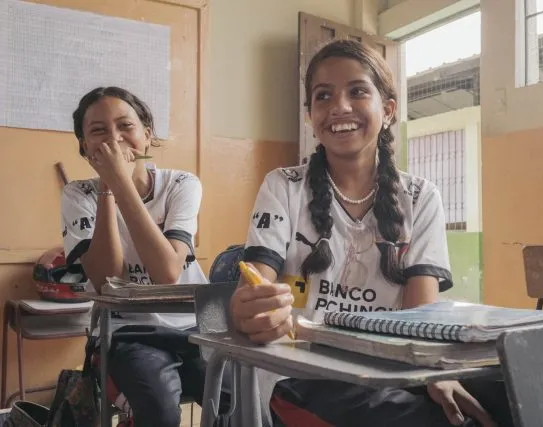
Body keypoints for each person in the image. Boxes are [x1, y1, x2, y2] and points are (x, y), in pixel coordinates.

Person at [230, 40, 512, 427]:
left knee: (514, 395)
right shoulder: (284, 186)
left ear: (389, 110)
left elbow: (421, 319)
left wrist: (438, 374)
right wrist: (253, 310)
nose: (340, 107)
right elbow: (256, 287)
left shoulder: (420, 196)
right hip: (302, 373)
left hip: (392, 368)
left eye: (358, 91)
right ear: (311, 115)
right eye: (323, 95)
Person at [61, 86, 212, 427]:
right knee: (158, 411)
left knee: (239, 398)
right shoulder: (78, 194)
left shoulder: (182, 184)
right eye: (98, 131)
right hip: (129, 331)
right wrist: (110, 186)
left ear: (146, 136)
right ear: (86, 147)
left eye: (125, 126)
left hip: (201, 321)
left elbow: (167, 272)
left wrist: (121, 181)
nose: (114, 140)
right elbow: (106, 279)